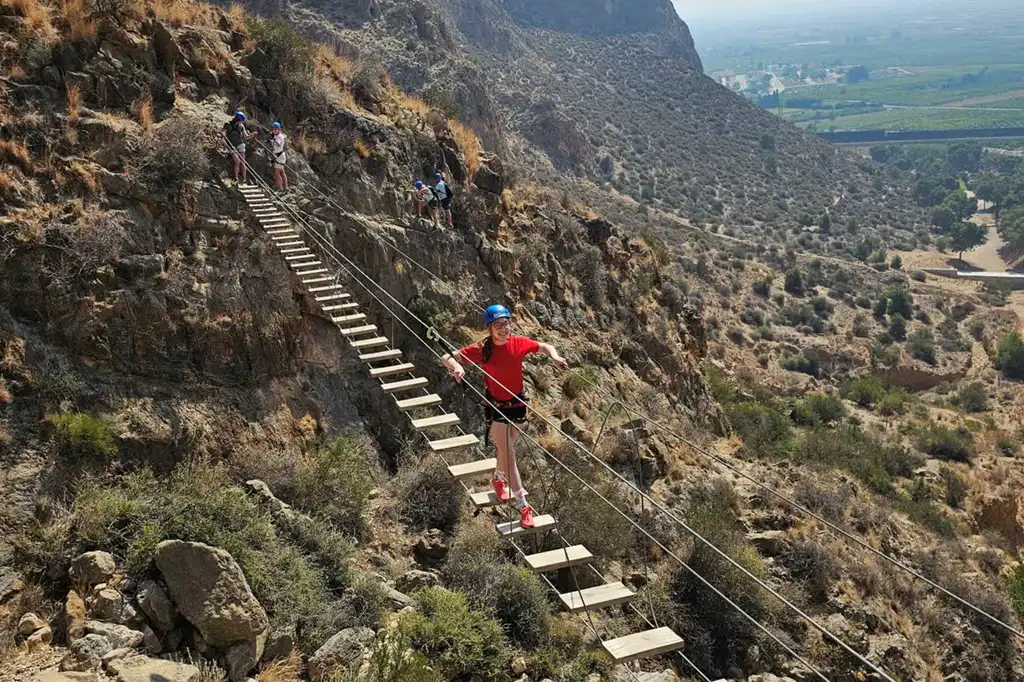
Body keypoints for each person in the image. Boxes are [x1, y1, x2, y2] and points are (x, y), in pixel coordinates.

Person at [441, 305, 568, 528]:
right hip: (496, 406)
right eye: (498, 325)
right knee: (508, 452)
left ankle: (498, 477)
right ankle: (523, 504)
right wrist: (457, 368)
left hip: (518, 404)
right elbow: (447, 357)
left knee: (506, 449)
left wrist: (556, 357)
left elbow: (545, 346)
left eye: (506, 323)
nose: (503, 328)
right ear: (489, 328)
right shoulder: (483, 348)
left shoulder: (518, 342)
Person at [224, 111, 254, 185]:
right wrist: (221, 133)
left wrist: (252, 135)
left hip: (240, 144)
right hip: (231, 145)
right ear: (237, 119)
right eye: (240, 121)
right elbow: (223, 132)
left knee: (243, 162)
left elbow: (246, 137)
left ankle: (244, 179)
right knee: (237, 161)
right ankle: (236, 178)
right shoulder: (228, 125)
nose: (241, 122)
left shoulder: (241, 126)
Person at [270, 122, 288, 191]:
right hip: (279, 155)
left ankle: (280, 188)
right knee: (282, 172)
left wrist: (274, 139)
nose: (273, 130)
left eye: (275, 129)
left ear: (278, 129)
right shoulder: (276, 135)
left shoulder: (280, 136)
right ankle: (285, 187)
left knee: (277, 173)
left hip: (279, 156)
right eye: (273, 128)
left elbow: (278, 144)